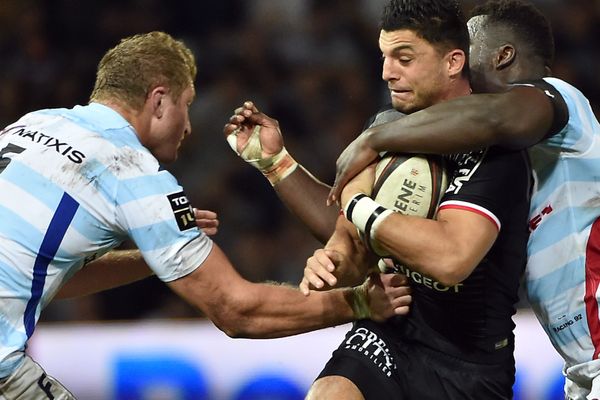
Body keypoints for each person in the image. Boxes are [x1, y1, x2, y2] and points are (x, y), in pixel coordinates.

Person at [0, 31, 412, 399]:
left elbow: (51, 276)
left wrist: (153, 257)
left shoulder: (32, 125)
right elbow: (236, 310)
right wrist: (358, 302)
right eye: (187, 105)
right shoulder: (132, 170)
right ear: (159, 101)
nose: (189, 126)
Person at [224, 0, 531, 398]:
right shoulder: (386, 126)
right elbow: (353, 243)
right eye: (385, 57)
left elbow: (451, 260)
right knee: (330, 393)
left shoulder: (496, 150)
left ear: (453, 62)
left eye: (404, 58)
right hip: (388, 329)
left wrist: (358, 205)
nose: (387, 73)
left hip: (467, 364)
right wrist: (332, 260)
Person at [327, 0, 600, 398]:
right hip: (581, 367)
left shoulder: (559, 100)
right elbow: (370, 234)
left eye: (467, 50)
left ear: (503, 55)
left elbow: (493, 117)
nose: (458, 62)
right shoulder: (509, 158)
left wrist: (376, 136)